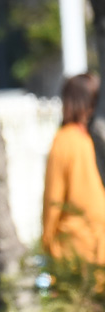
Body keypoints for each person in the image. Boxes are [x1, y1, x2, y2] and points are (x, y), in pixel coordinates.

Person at [42, 73, 105, 269]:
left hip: (74, 252)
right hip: (95, 245)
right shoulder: (90, 139)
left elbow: (53, 201)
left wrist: (48, 243)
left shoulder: (65, 141)